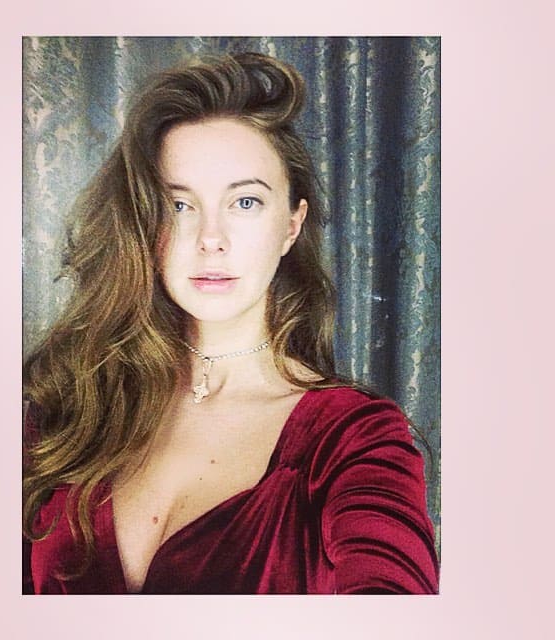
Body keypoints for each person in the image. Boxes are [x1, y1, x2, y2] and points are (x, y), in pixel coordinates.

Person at [23, 52, 439, 594]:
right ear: (142, 223)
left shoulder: (352, 439)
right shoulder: (66, 408)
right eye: (178, 205)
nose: (210, 238)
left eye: (245, 202)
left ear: (291, 225)